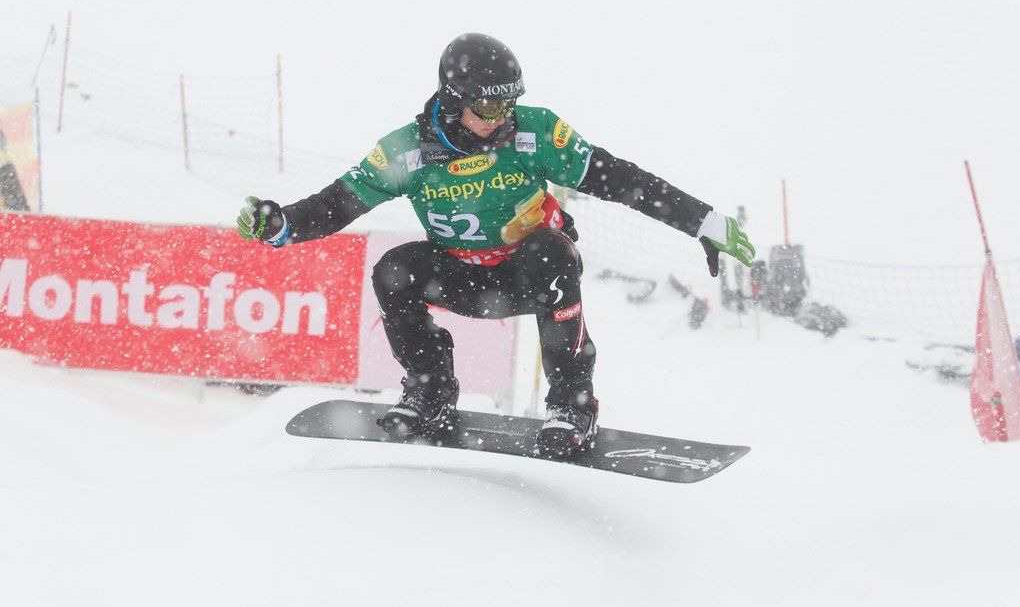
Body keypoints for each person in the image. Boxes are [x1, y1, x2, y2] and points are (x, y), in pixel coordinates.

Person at [237, 33, 754, 457]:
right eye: (489, 103)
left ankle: (571, 406)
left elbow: (619, 178)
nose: (501, 115)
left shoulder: (534, 134)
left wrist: (701, 222)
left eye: (510, 102)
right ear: (453, 100)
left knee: (552, 250)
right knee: (394, 268)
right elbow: (339, 203)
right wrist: (282, 224)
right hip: (460, 277)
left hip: (527, 276)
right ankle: (430, 394)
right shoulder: (406, 152)